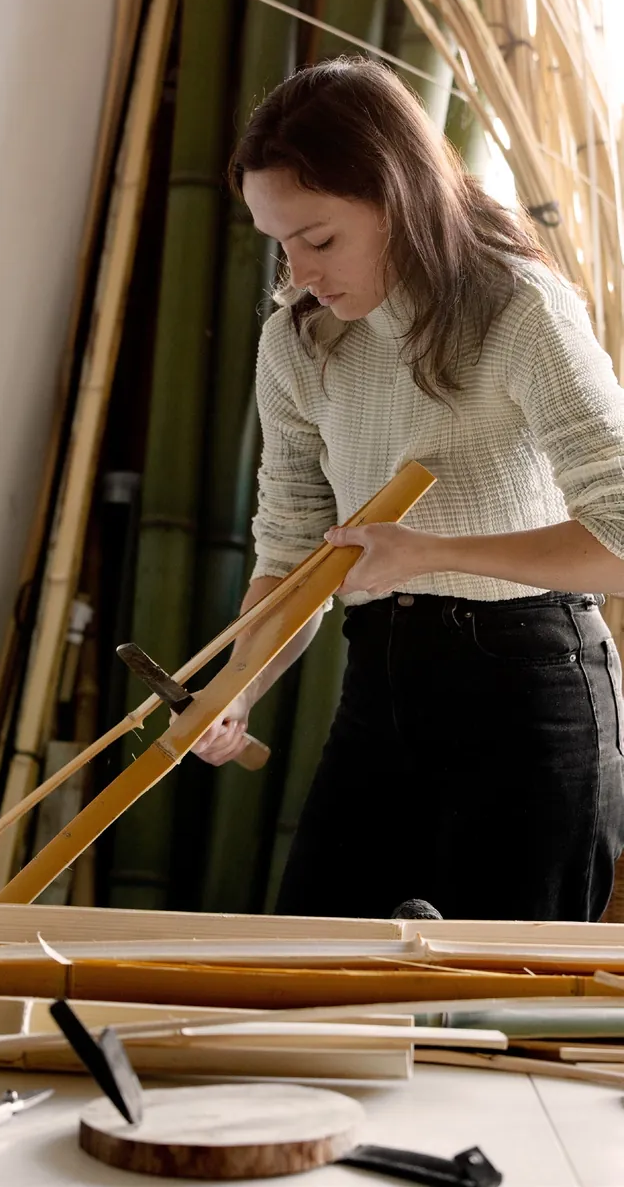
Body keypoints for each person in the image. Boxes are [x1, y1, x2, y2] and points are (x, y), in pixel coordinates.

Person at [191, 57, 624, 923]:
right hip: (382, 676)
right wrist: (235, 685)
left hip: (533, 686)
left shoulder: (521, 309)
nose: (301, 269)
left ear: (401, 197)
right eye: (280, 243)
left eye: (320, 239)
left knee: (499, 1012)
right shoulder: (299, 343)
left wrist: (426, 551)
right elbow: (289, 552)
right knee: (311, 965)